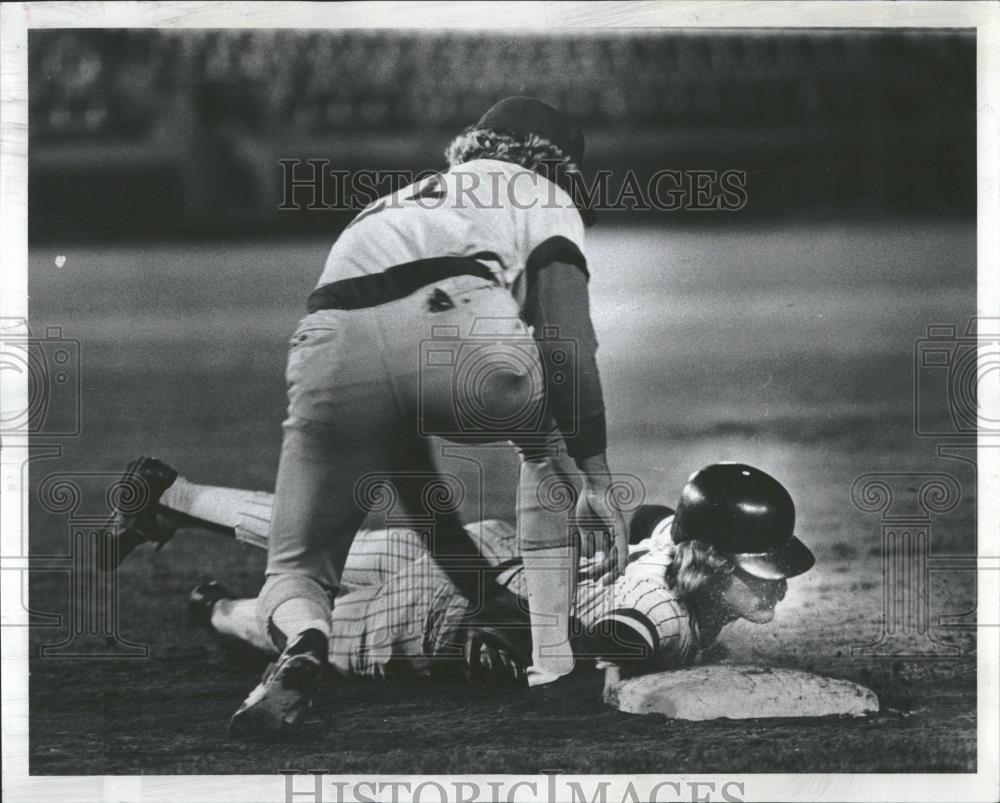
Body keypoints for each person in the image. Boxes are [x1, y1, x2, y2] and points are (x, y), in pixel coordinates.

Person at [109, 97, 631, 734]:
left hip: (329, 339)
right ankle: (555, 665)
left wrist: (480, 593)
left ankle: (302, 646)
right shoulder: (545, 192)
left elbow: (405, 461)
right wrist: (596, 475)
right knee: (543, 448)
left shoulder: (396, 202)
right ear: (555, 165)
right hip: (463, 324)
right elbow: (567, 341)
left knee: (297, 571)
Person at [109, 458, 814, 697]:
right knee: (307, 627)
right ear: (710, 562)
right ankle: (217, 610)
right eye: (759, 570)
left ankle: (171, 492)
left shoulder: (674, 537)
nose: (776, 584)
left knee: (323, 543)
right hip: (444, 614)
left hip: (494, 549)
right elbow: (589, 653)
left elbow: (660, 517)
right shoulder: (660, 620)